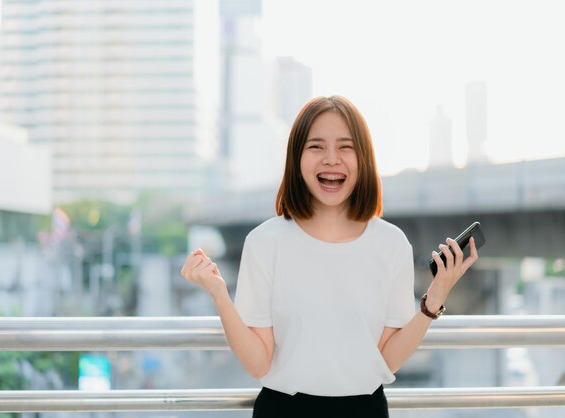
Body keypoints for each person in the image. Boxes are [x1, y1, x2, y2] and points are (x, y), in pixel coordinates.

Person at [180, 95, 478, 418]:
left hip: (364, 410)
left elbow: (388, 360)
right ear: (296, 158)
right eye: (316, 146)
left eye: (345, 147)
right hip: (283, 410)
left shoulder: (391, 244)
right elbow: (258, 363)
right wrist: (220, 294)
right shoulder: (264, 242)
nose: (331, 159)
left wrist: (434, 300)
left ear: (363, 159)